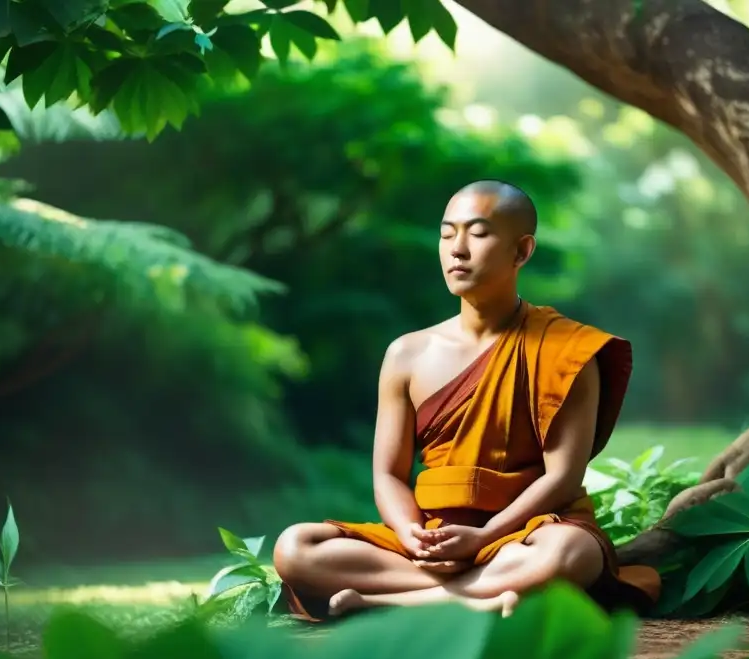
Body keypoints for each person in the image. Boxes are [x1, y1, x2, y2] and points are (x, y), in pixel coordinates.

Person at [273, 180, 660, 620]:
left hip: (525, 534)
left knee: (570, 552)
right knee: (296, 548)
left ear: (521, 251)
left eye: (477, 233)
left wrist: (486, 535)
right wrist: (414, 535)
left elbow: (564, 478)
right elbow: (388, 474)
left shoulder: (566, 350)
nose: (457, 249)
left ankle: (392, 604)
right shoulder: (407, 354)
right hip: (435, 538)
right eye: (446, 233)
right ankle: (483, 595)